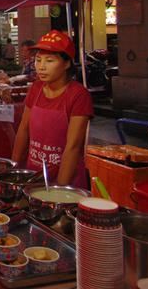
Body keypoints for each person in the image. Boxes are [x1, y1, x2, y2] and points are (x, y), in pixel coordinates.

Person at [11, 31, 93, 188]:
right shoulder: (36, 88)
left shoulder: (78, 95)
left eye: (49, 61)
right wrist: (14, 170)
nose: (41, 67)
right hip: (33, 177)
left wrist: (59, 191)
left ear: (67, 63)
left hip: (66, 179)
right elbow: (24, 129)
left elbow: (73, 146)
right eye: (38, 60)